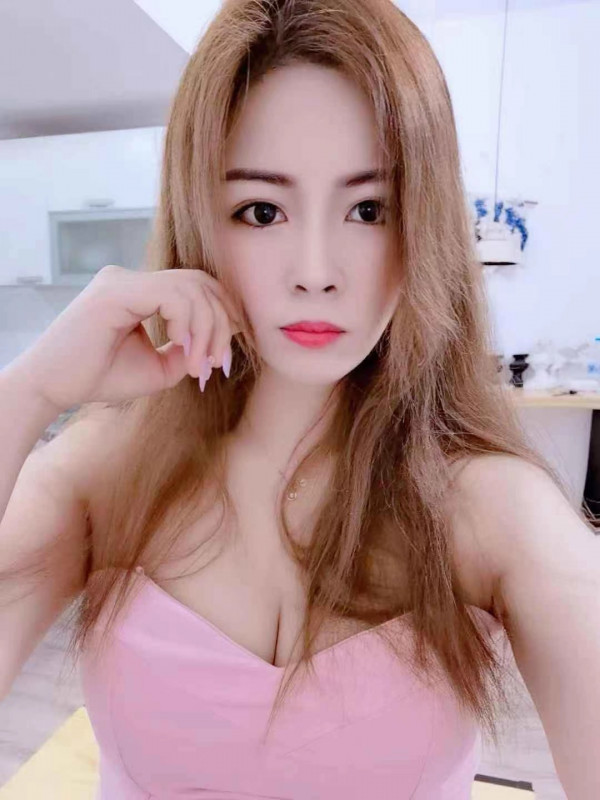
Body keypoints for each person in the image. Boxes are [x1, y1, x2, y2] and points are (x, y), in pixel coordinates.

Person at [1, 1, 598, 797]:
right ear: (200, 219)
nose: (316, 271)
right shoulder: (104, 471)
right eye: (262, 211)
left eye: (368, 210)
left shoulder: (490, 512)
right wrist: (30, 389)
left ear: (423, 224)